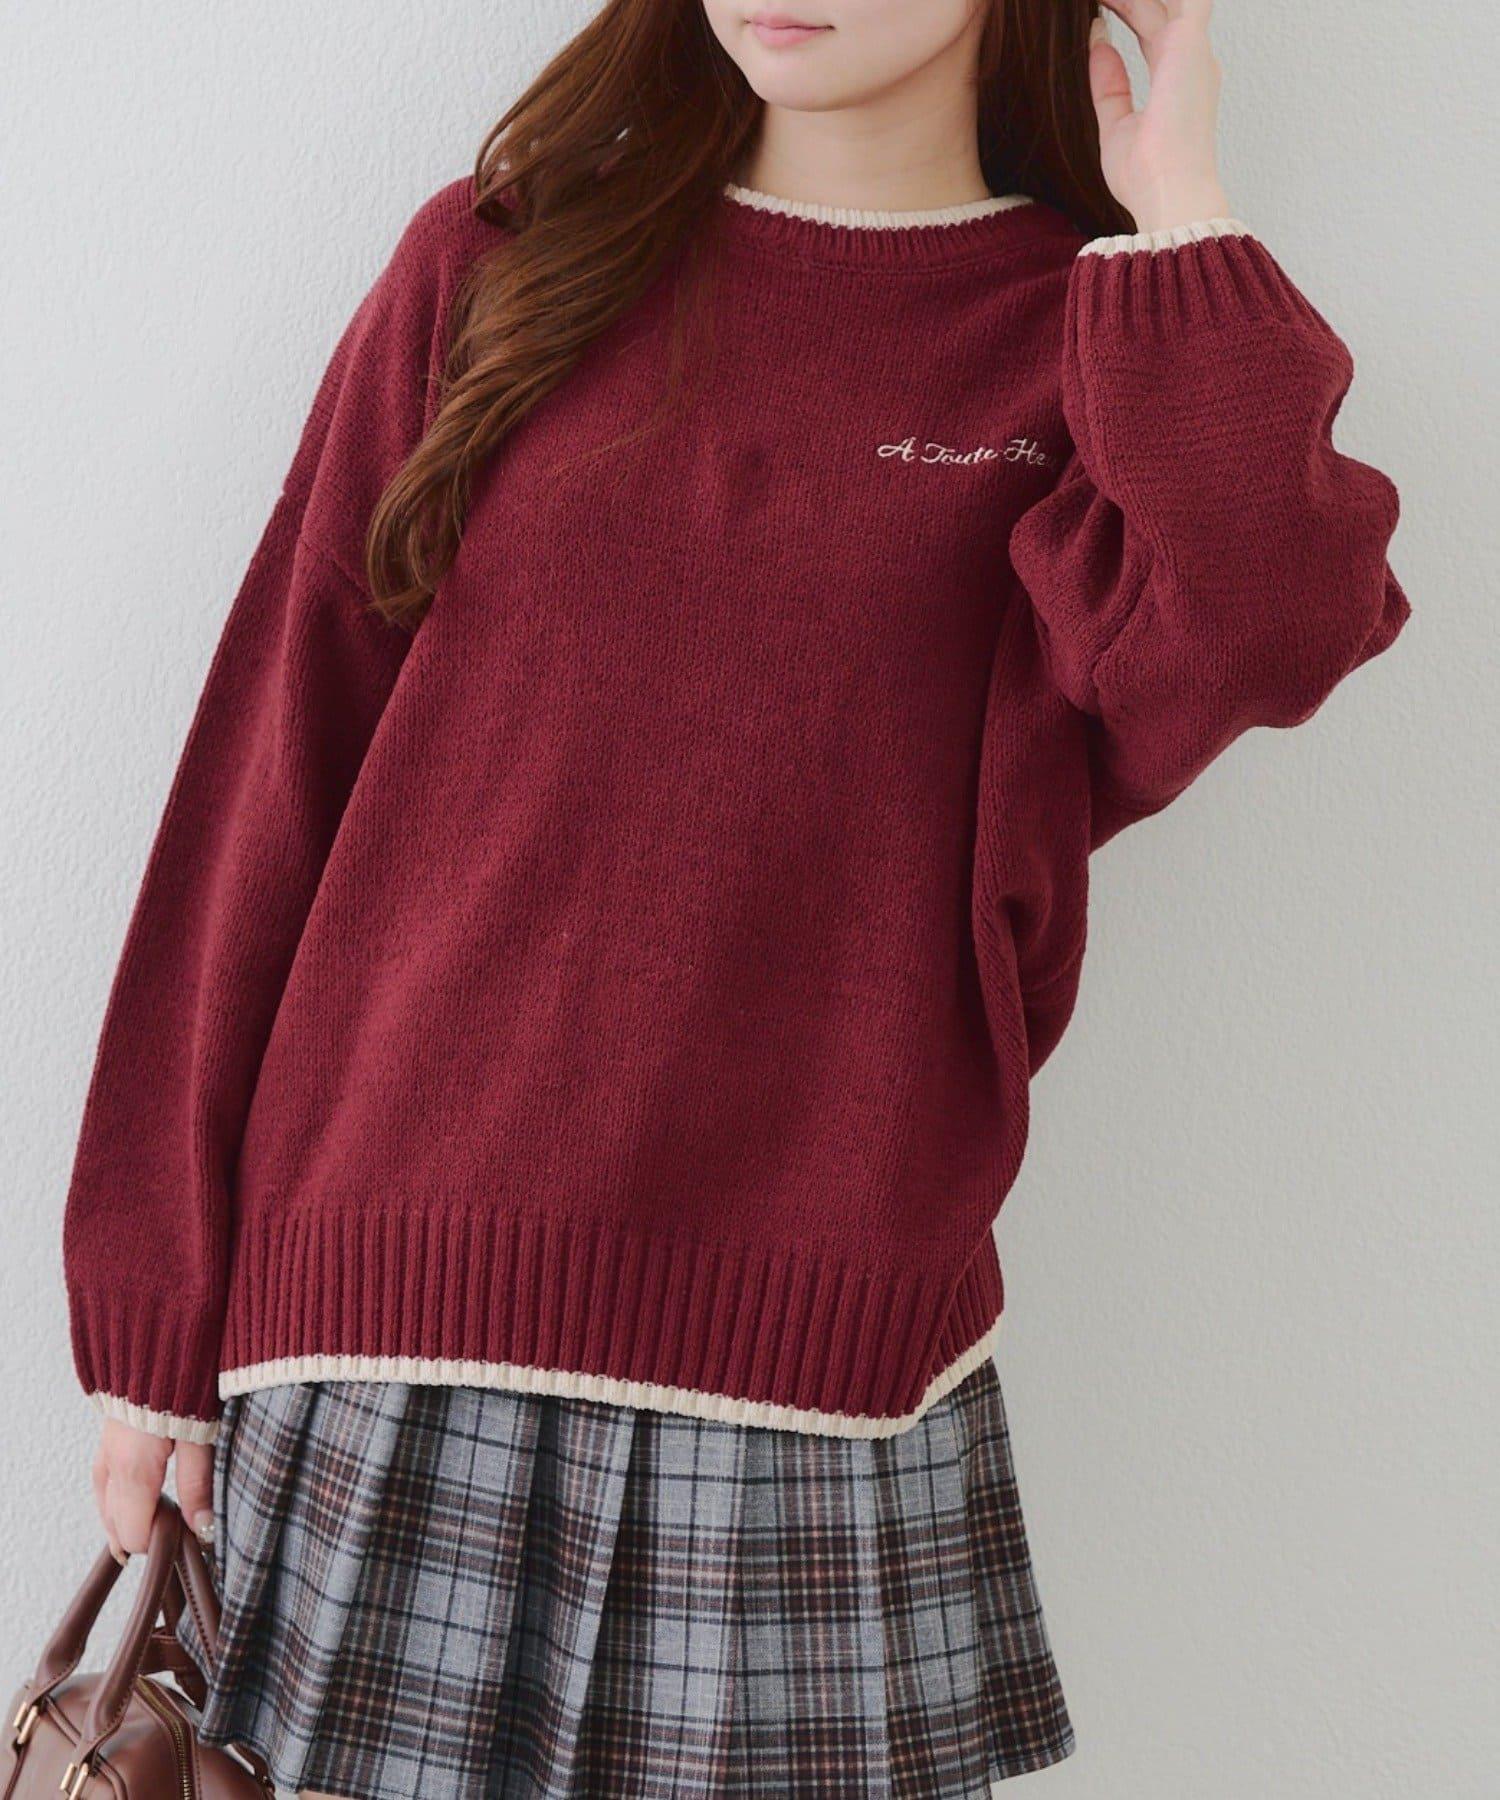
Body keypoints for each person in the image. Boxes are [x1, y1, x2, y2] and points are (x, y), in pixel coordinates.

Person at [63, 1, 1408, 1794]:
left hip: (811, 1388)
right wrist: (154, 1304)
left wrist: (1183, 216)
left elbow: (1277, 623)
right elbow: (268, 767)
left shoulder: (1075, 349)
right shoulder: (505, 265)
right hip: (392, 1346)